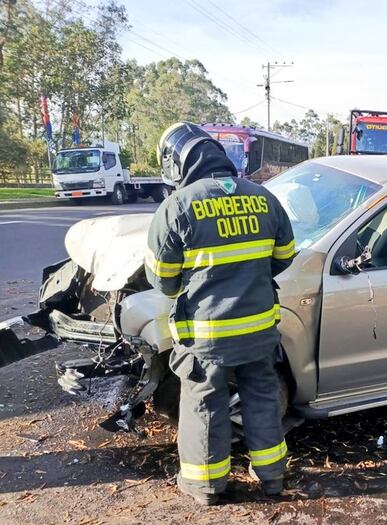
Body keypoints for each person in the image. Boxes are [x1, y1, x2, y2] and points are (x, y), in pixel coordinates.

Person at [145, 122, 296, 505]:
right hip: (259, 329)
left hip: (206, 337)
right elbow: (283, 258)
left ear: (177, 162)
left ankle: (207, 487)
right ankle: (273, 478)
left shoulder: (177, 207)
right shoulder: (265, 198)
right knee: (262, 397)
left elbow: (163, 280)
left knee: (204, 403)